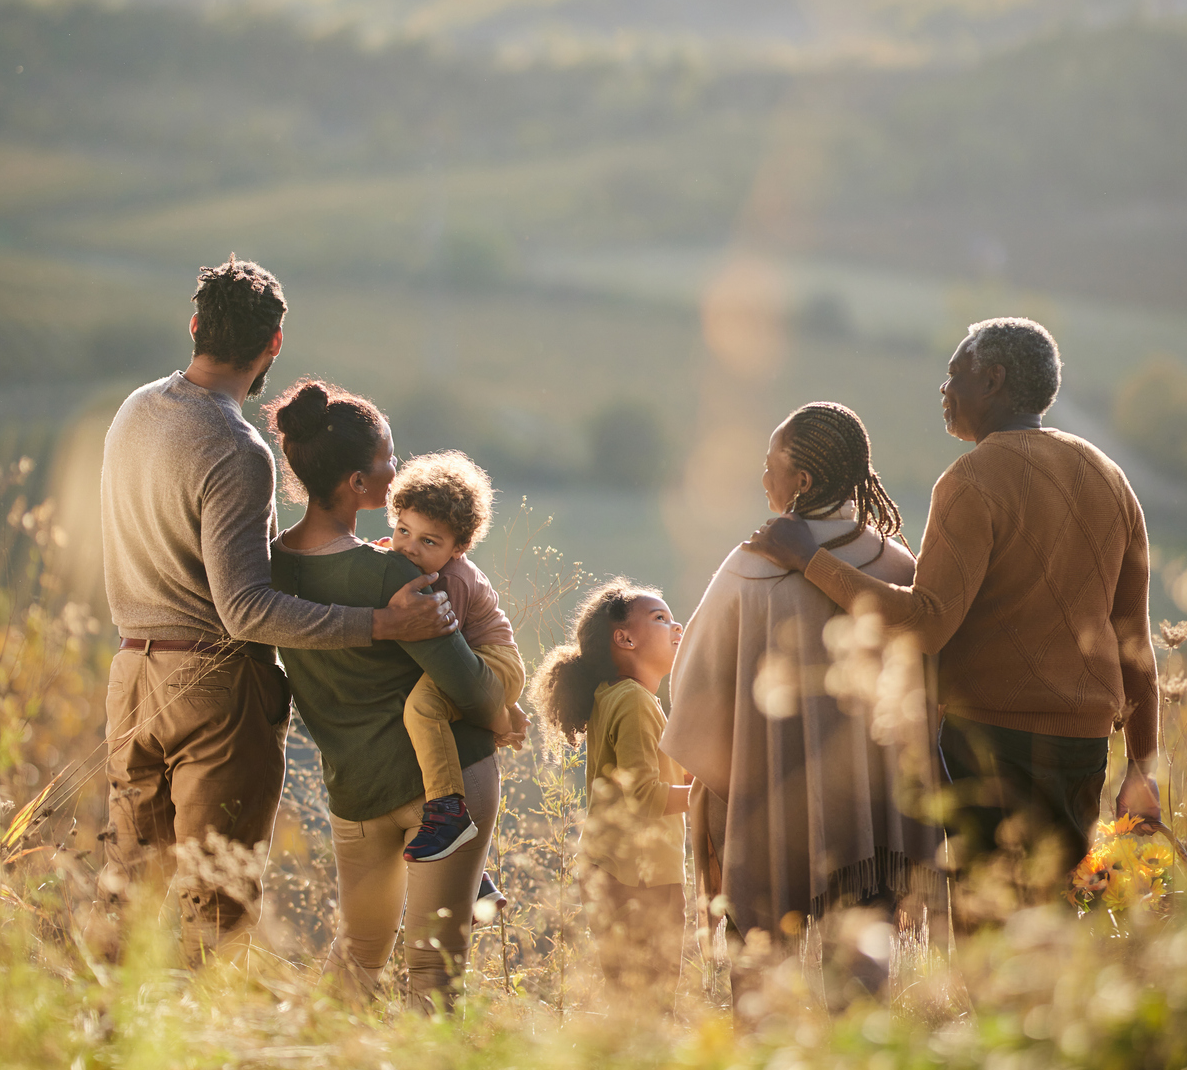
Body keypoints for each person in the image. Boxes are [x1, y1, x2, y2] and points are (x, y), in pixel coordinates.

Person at [94, 255, 452, 966]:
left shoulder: (133, 410)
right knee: (213, 910)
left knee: (127, 896)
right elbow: (246, 611)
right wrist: (379, 623)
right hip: (213, 695)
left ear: (195, 326)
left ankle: (94, 1050)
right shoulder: (236, 448)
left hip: (131, 677)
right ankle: (185, 1068)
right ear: (274, 345)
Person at [746, 319, 1161, 908]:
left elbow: (925, 622)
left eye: (954, 374)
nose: (944, 390)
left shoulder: (972, 480)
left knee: (991, 928)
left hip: (991, 746)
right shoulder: (1111, 479)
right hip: (1085, 749)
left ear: (992, 380)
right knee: (1059, 921)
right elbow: (1135, 648)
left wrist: (808, 558)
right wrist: (1143, 767)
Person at [662, 402, 944, 993]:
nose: (764, 479)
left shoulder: (751, 565)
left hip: (770, 803)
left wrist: (738, 771)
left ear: (802, 481)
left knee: (759, 980)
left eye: (771, 466)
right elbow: (927, 688)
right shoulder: (894, 563)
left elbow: (692, 684)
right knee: (861, 982)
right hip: (871, 811)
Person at [267, 380, 516, 1007]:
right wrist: (507, 712)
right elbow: (472, 688)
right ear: (356, 481)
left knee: (355, 957)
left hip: (355, 792)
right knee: (433, 975)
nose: (395, 469)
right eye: (386, 458)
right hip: (448, 783)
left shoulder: (270, 570)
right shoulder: (395, 572)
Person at [531, 581, 690, 1002]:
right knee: (652, 1003)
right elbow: (645, 795)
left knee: (628, 999)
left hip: (611, 870)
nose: (677, 627)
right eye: (660, 618)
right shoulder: (635, 701)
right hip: (641, 879)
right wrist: (715, 797)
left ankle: (618, 1067)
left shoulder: (614, 696)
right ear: (625, 638)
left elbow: (648, 777)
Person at [385, 452, 527, 864]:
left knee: (424, 708)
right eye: (403, 531)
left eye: (429, 542)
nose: (409, 548)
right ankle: (472, 875)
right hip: (480, 662)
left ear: (459, 547)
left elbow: (449, 657)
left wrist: (499, 709)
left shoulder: (454, 581)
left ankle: (449, 810)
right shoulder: (418, 564)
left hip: (492, 659)